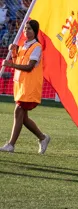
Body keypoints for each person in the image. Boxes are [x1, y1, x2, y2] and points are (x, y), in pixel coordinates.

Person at [0, 20, 50, 154]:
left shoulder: (37, 47)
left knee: (18, 112)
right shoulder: (23, 45)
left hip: (30, 85)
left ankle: (11, 144)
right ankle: (42, 137)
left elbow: (29, 67)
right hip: (21, 85)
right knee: (23, 117)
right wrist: (15, 52)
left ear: (35, 31)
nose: (26, 31)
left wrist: (10, 64)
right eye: (25, 28)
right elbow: (19, 62)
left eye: (29, 29)